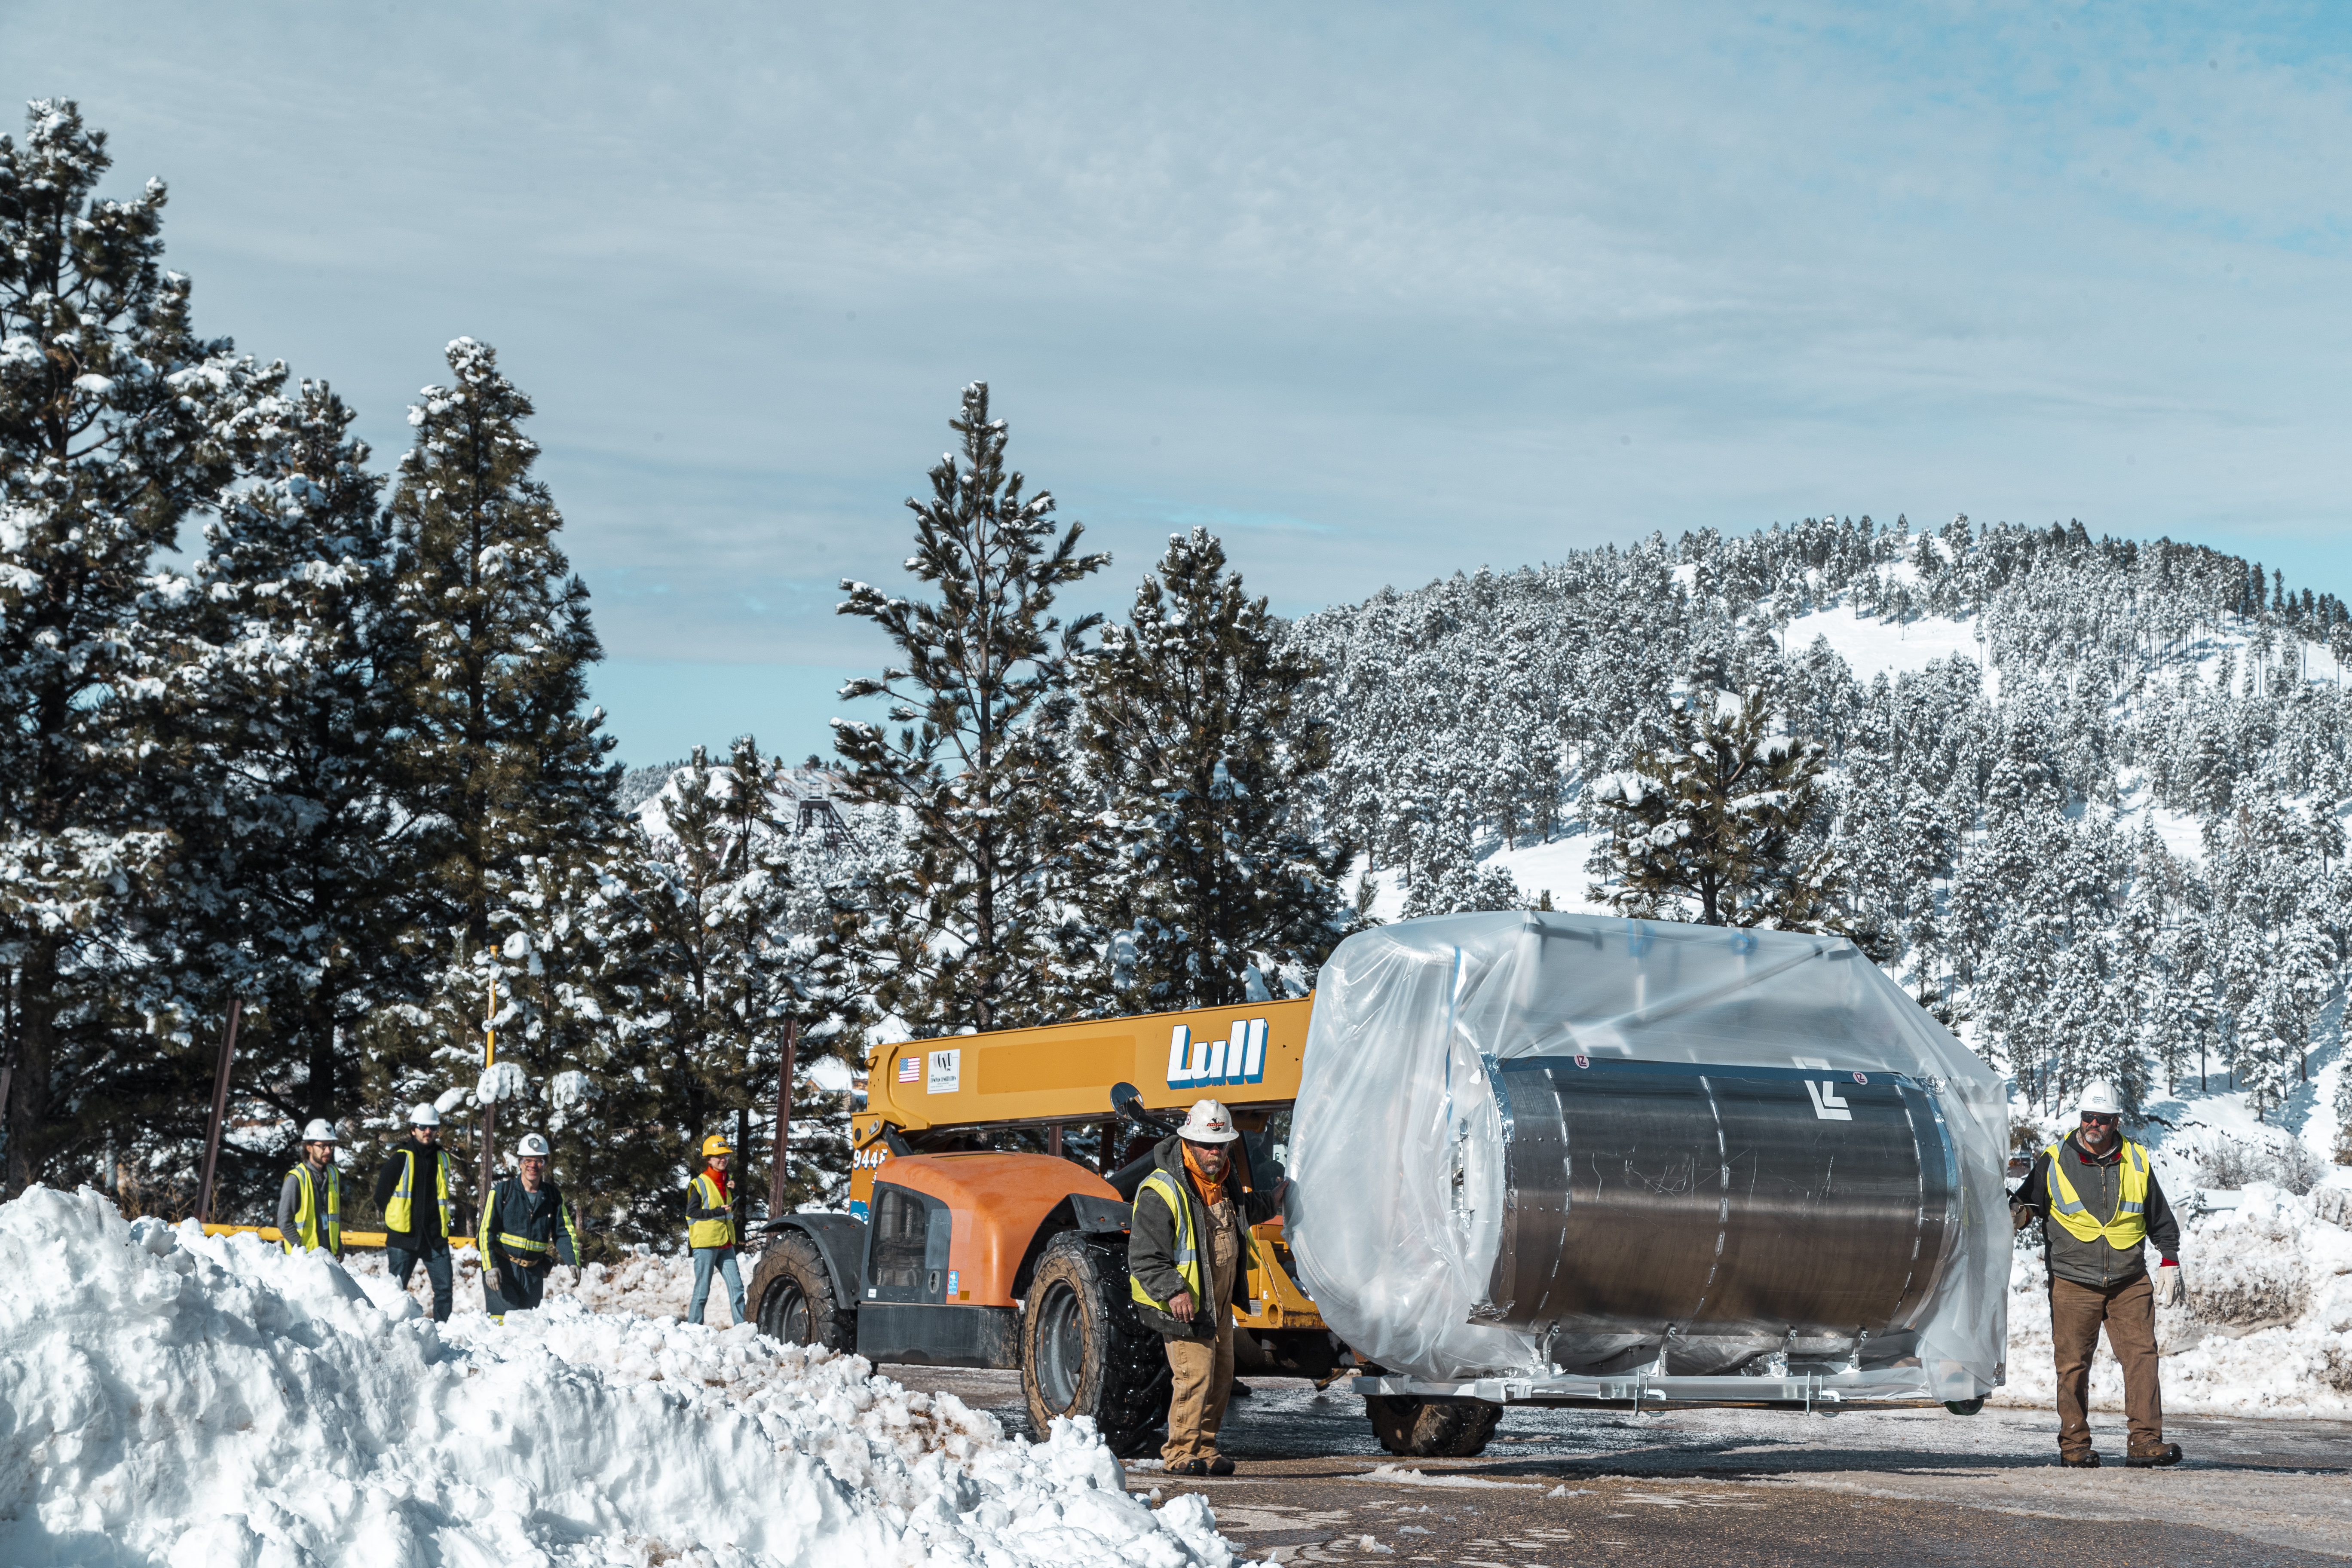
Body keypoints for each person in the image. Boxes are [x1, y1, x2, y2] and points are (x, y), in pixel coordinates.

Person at [2010, 1079, 2185, 1469]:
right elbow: (2026, 1203)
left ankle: (2145, 1442)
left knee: (2142, 1358)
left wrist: (2170, 1260)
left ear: (2115, 1121)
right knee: (2072, 1364)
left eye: (2102, 1119)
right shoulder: (2054, 1159)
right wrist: (2017, 1214)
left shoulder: (2137, 1159)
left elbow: (2159, 1216)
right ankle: (2074, 1446)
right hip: (2073, 1280)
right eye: (2088, 1117)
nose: (2094, 1125)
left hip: (2129, 1279)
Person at [1127, 1098, 1282, 1477]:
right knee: (1193, 1378)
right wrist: (1174, 1291)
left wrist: (1274, 1199)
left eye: (1221, 1144)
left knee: (1221, 1378)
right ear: (1188, 1143)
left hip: (1218, 1304)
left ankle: (1205, 1448)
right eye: (1207, 1145)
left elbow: (1242, 1211)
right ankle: (1179, 1453)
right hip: (1186, 1306)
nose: (1215, 1152)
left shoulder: (1222, 1179)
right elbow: (1145, 1257)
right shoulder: (1160, 1190)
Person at [478, 1133, 582, 1320]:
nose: (533, 1166)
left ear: (545, 1164)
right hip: (503, 1270)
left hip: (533, 1275)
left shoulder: (553, 1197)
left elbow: (564, 1232)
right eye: (528, 1161)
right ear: (520, 1163)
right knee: (504, 1324)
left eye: (539, 1161)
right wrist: (490, 1267)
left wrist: (572, 1261)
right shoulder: (502, 1192)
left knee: (529, 1329)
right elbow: (486, 1233)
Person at [374, 1102, 458, 1321]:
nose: (428, 1131)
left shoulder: (442, 1159)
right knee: (395, 1292)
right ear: (413, 1130)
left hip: (434, 1237)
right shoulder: (401, 1158)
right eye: (423, 1127)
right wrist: (396, 1218)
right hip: (403, 1238)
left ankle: (443, 1334)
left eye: (432, 1127)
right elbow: (380, 1195)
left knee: (444, 1290)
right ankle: (393, 1332)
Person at [685, 1133, 747, 1326]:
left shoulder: (728, 1181)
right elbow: (692, 1212)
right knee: (702, 1292)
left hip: (725, 1243)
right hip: (705, 1244)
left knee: (737, 1288)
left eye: (726, 1156)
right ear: (709, 1159)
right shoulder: (700, 1183)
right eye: (719, 1157)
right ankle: (693, 1330)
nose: (724, 1160)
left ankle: (743, 1328)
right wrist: (715, 1212)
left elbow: (731, 1206)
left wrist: (735, 1190)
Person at [277, 1118, 345, 1258]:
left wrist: (338, 1246)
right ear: (309, 1147)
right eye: (322, 1146)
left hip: (328, 1257)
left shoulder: (334, 1174)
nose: (328, 1151)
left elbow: (334, 1218)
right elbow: (284, 1222)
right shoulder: (295, 1179)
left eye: (330, 1146)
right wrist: (302, 1249)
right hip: (304, 1261)